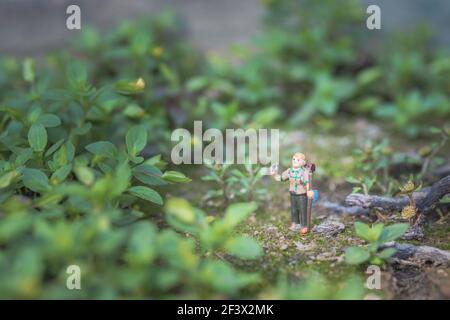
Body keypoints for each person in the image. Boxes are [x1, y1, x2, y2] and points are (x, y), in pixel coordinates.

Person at [270, 152, 314, 234]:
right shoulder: (289, 171)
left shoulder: (304, 172)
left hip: (302, 194)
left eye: (298, 160)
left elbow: (307, 183)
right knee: (294, 210)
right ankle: (295, 223)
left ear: (303, 162)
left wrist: (309, 191)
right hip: (293, 193)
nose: (295, 161)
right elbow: (281, 178)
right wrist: (274, 175)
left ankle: (304, 225)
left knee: (302, 210)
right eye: (294, 159)